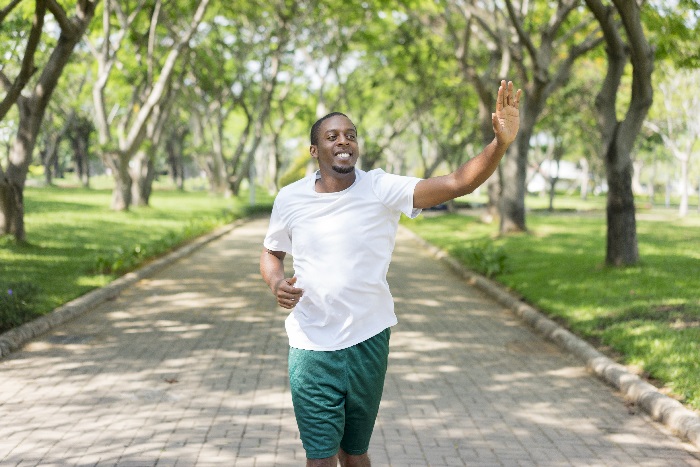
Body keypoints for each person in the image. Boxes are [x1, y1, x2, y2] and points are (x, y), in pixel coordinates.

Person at [260, 80, 521, 467]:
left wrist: (499, 143)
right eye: (333, 137)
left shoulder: (380, 187)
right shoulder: (290, 197)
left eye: (350, 135)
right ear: (316, 150)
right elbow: (271, 252)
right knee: (320, 456)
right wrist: (276, 282)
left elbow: (456, 183)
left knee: (355, 453)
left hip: (368, 338)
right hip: (310, 344)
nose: (344, 141)